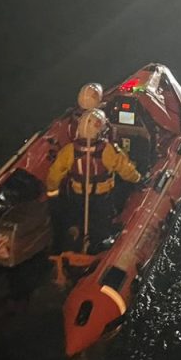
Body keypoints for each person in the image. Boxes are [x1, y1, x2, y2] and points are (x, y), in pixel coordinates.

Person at [45, 108, 142, 254]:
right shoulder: (108, 150)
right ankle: (97, 247)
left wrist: (52, 191)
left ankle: (75, 236)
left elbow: (54, 174)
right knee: (101, 224)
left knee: (78, 218)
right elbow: (126, 170)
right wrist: (138, 179)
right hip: (101, 198)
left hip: (77, 196)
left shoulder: (69, 151)